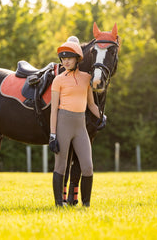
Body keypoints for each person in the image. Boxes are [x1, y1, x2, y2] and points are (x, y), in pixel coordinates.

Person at [49, 37, 102, 207]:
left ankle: (86, 205)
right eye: (63, 59)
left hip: (80, 126)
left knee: (87, 166)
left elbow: (91, 104)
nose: (65, 61)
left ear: (78, 59)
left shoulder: (87, 78)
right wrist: (52, 134)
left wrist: (102, 116)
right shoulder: (58, 80)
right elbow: (53, 110)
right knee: (61, 166)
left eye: (69, 58)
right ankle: (59, 203)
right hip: (63, 123)